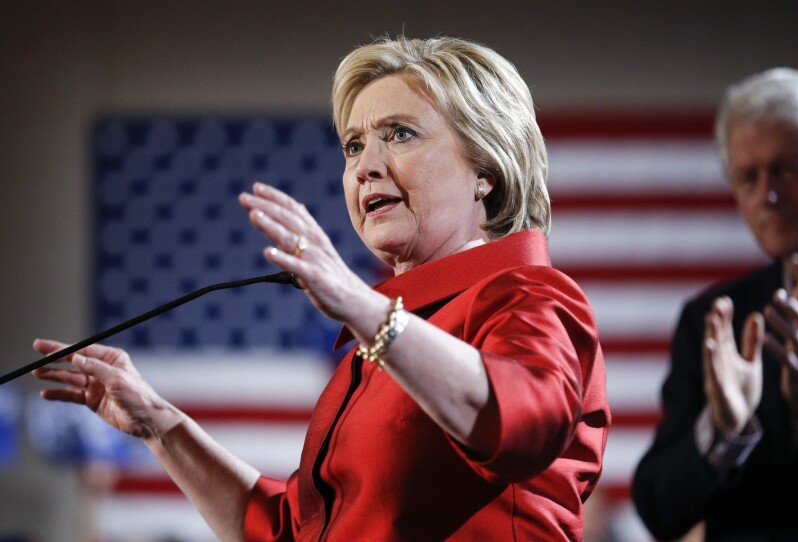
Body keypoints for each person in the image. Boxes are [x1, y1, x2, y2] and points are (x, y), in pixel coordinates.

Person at [31, 36, 610, 541]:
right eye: (354, 145)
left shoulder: (527, 296)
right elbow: (288, 530)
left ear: (487, 167)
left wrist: (360, 304)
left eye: (400, 135)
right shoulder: (391, 336)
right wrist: (159, 424)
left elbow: (526, 426)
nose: (366, 167)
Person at [632, 67, 798, 541]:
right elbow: (658, 508)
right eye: (747, 177)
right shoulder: (714, 317)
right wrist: (722, 431)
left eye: (787, 168)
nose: (766, 195)